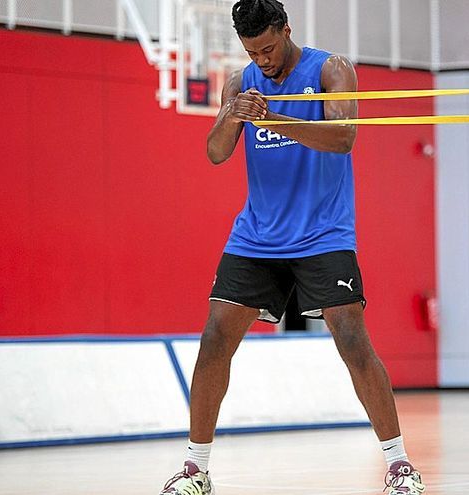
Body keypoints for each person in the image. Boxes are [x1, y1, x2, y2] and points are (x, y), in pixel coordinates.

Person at [158, 1, 425, 494]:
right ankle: (195, 470)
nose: (262, 60)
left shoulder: (331, 69)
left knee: (351, 339)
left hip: (324, 234)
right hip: (256, 236)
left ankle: (399, 464)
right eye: (251, 51)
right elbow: (216, 153)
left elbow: (344, 138)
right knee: (215, 337)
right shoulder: (240, 83)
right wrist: (232, 116)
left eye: (268, 48)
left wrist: (274, 119)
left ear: (286, 29)